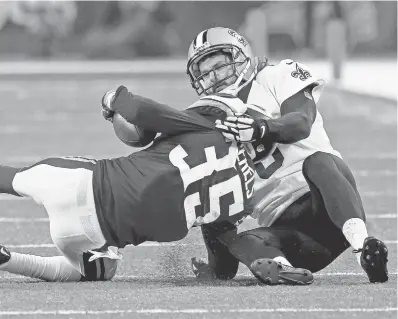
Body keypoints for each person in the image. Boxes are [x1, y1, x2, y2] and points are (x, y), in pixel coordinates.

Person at [185, 26, 388, 284]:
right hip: (293, 238)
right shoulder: (208, 125)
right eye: (205, 74)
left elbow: (301, 122)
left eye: (219, 66)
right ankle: (279, 267)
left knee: (318, 161)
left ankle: (363, 249)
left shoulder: (275, 76)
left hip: (328, 201)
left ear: (240, 57)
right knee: (226, 221)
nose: (214, 77)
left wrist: (261, 129)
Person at [0, 87, 258, 282]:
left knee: (11, 178)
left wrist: (113, 98)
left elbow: (136, 111)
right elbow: (224, 267)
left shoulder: (203, 127)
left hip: (77, 183)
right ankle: (9, 262)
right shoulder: (244, 197)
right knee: (98, 272)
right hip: (86, 235)